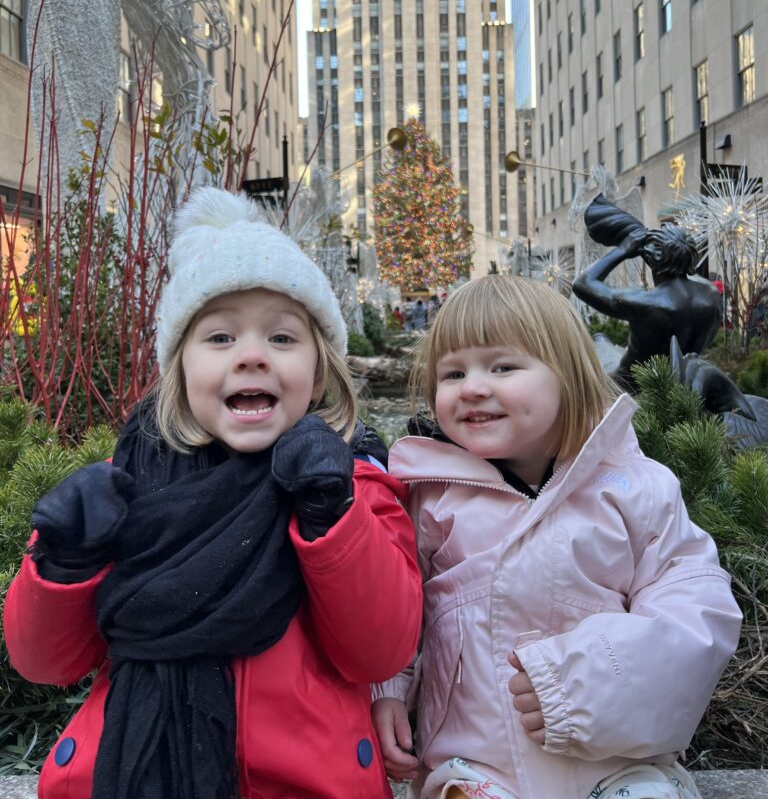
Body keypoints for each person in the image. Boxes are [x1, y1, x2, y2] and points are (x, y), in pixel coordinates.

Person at [4, 187, 422, 799]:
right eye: (220, 338)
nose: (252, 355)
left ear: (320, 369)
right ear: (180, 366)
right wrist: (63, 562)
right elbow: (44, 662)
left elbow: (378, 651)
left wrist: (331, 518)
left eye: (282, 339)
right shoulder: (123, 492)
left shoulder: (353, 486)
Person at [371, 275, 741, 799]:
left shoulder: (636, 488)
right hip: (475, 770)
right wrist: (388, 689)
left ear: (567, 375)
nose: (473, 386)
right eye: (452, 372)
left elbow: (697, 615)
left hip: (613, 765)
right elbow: (398, 611)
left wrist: (590, 682)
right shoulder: (430, 499)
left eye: (502, 367)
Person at [572, 197, 722, 393]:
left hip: (630, 386)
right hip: (684, 383)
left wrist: (623, 250)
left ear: (656, 257)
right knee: (603, 341)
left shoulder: (648, 304)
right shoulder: (710, 294)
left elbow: (582, 284)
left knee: (592, 354)